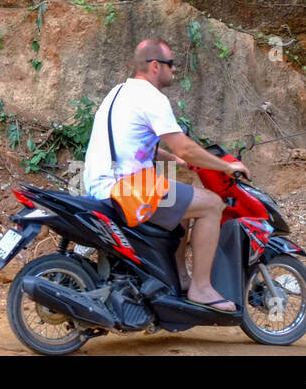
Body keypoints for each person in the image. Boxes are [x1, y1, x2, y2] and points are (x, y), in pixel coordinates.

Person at [82, 38, 249, 311]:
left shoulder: (119, 92)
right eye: (171, 65)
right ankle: (202, 288)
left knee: (182, 207)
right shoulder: (152, 98)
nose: (175, 71)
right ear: (156, 66)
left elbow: (133, 146)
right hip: (125, 190)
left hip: (103, 184)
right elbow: (184, 145)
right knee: (210, 204)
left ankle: (180, 279)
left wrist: (174, 160)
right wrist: (226, 167)